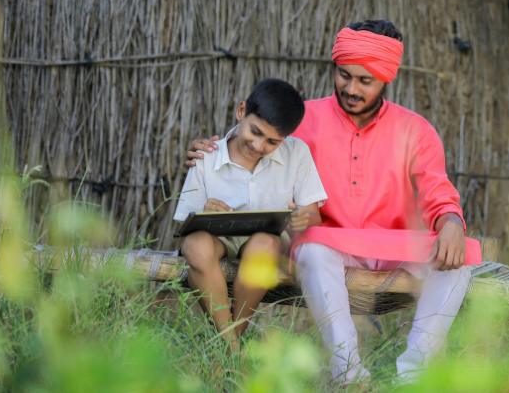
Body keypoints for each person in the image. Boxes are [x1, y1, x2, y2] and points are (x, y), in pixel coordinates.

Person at [186, 20, 481, 384]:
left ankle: (414, 378)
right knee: (312, 250)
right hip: (326, 244)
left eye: (364, 80)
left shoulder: (416, 130)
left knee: (458, 259)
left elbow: (438, 193)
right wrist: (212, 150)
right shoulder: (303, 119)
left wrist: (450, 220)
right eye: (344, 75)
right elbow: (253, 143)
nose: (351, 88)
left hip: (395, 245)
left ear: (386, 79)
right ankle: (350, 377)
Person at [174, 78, 327, 351]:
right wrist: (204, 210)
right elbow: (184, 223)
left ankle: (227, 348)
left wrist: (303, 217)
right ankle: (233, 349)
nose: (258, 145)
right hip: (217, 241)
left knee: (263, 243)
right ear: (241, 111)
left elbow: (313, 215)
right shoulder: (208, 154)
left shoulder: (297, 153)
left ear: (286, 138)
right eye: (254, 132)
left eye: (272, 141)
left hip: (267, 245)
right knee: (195, 244)